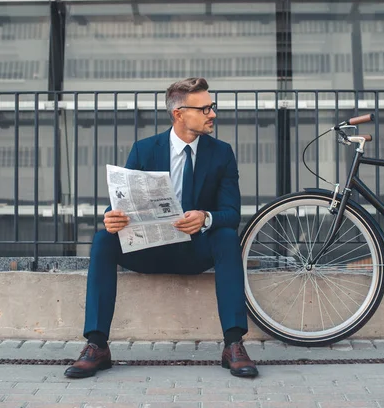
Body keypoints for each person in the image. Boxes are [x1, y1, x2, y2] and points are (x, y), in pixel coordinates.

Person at [65, 77, 258, 379]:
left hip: (196, 251)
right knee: (103, 238)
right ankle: (97, 345)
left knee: (226, 236)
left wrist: (205, 217)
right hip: (149, 249)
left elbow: (231, 213)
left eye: (212, 106)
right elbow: (122, 200)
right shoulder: (145, 150)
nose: (213, 114)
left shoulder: (222, 153)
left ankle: (233, 344)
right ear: (179, 113)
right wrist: (111, 217)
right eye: (205, 108)